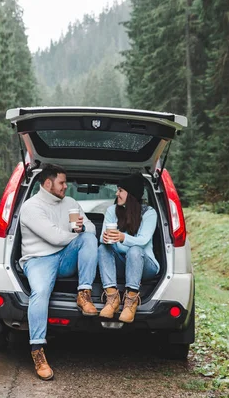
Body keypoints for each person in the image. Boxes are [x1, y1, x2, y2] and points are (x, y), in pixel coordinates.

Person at [19, 163, 98, 381]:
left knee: (89, 238)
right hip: (38, 259)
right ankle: (38, 351)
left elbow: (92, 229)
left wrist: (82, 229)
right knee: (40, 292)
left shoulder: (71, 203)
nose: (66, 186)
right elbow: (54, 237)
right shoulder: (31, 207)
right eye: (62, 182)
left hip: (64, 258)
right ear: (47, 183)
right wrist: (75, 234)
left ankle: (84, 294)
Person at [97, 174, 160, 323]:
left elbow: (143, 240)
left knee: (135, 250)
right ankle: (112, 298)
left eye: (120, 190)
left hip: (145, 265)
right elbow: (102, 236)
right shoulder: (112, 210)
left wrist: (122, 237)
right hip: (122, 264)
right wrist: (105, 238)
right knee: (102, 248)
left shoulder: (149, 213)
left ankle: (131, 300)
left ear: (131, 193)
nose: (116, 193)